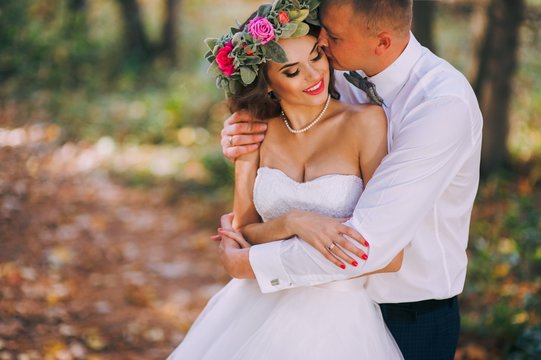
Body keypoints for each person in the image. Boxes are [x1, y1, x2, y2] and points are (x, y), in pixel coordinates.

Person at [217, 0, 483, 359]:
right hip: (291, 311)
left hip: (409, 313)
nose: (321, 42)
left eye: (333, 36)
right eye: (321, 30)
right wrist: (239, 134)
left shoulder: (441, 104)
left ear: (382, 43)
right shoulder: (336, 70)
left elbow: (370, 246)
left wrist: (249, 263)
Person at [167, 1, 404, 359]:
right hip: (252, 307)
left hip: (338, 321)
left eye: (316, 57)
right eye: (292, 71)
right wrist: (296, 222)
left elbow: (385, 250)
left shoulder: (366, 122)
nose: (314, 76)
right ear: (268, 85)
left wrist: (264, 238)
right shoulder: (253, 131)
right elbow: (242, 231)